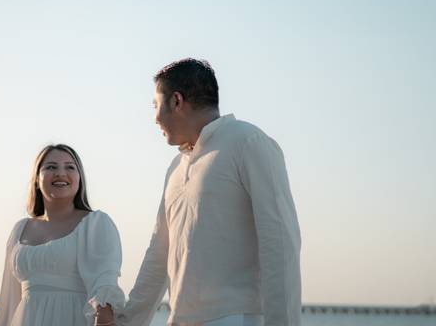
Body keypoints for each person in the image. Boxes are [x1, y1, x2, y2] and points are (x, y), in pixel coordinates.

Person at [118, 59, 302, 326]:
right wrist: (126, 322)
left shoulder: (249, 142)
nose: (154, 117)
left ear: (176, 101)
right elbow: (158, 256)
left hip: (234, 318)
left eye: (156, 105)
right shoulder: (175, 168)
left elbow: (281, 244)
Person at [0, 144, 126, 326]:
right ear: (36, 179)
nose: (60, 173)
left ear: (80, 178)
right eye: (51, 167)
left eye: (70, 167)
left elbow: (105, 282)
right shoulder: (20, 229)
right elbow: (8, 300)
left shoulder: (95, 223)